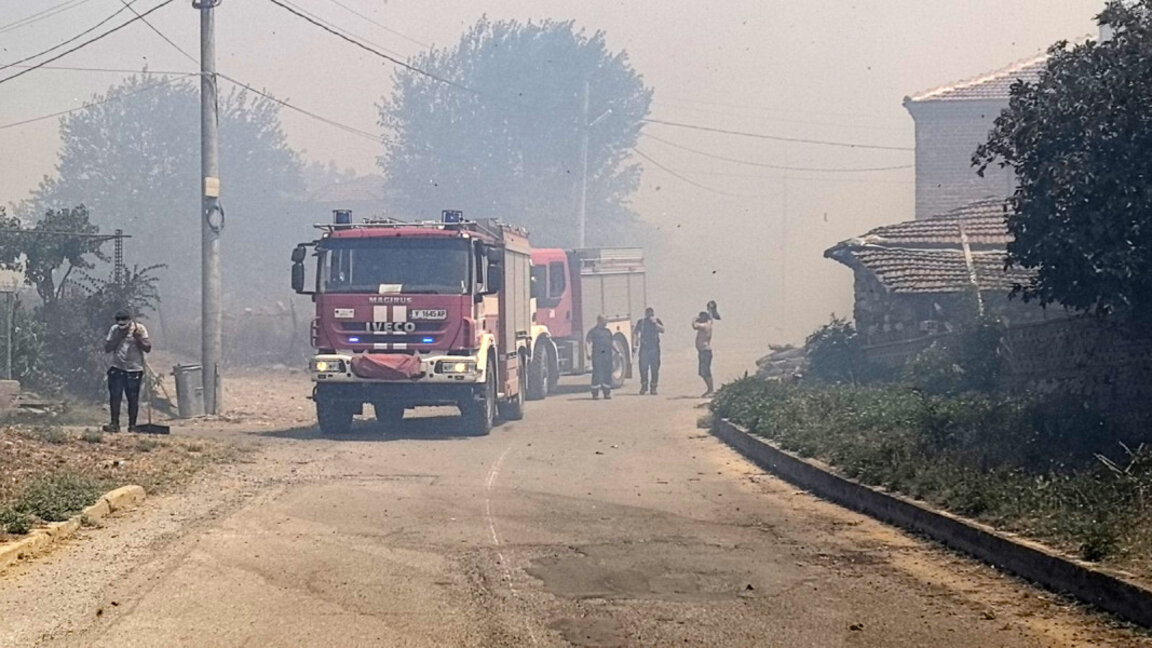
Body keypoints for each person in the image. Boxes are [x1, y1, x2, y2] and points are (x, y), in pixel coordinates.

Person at [103, 310, 151, 432]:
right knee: (115, 395)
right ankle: (114, 424)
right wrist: (118, 338)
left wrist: (138, 338)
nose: (122, 327)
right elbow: (107, 348)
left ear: (129, 322)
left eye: (124, 325)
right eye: (120, 325)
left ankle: (132, 426)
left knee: (133, 397)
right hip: (117, 367)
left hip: (134, 368)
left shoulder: (139, 328)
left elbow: (148, 348)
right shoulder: (114, 330)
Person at [633, 306, 664, 395]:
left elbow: (662, 330)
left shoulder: (656, 321)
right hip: (645, 348)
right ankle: (644, 386)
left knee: (655, 368)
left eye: (651, 314)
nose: (650, 315)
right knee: (643, 368)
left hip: (654, 348)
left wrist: (655, 324)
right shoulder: (641, 322)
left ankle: (653, 387)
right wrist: (635, 343)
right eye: (648, 313)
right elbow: (636, 332)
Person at [586, 314, 615, 400]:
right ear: (599, 321)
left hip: (607, 355)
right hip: (597, 355)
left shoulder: (608, 331)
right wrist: (588, 353)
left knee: (607, 373)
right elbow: (588, 342)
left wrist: (618, 351)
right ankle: (595, 394)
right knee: (597, 373)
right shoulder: (593, 331)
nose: (607, 322)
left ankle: (607, 393)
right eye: (605, 320)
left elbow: (612, 343)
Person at [692, 310, 715, 397]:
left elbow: (694, 326)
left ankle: (711, 390)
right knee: (702, 372)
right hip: (703, 351)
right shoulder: (709, 324)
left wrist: (695, 319)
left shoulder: (705, 326)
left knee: (706, 371)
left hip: (705, 351)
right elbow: (711, 319)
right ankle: (709, 389)